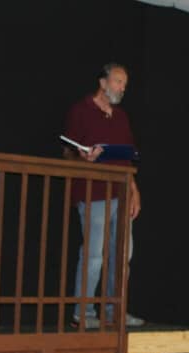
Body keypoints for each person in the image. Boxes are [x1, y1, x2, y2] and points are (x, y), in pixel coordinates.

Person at [63, 62, 144, 328]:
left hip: (121, 191)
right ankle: (83, 313)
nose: (122, 88)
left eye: (125, 84)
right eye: (118, 82)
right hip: (93, 192)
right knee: (94, 254)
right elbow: (67, 152)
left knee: (122, 255)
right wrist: (83, 158)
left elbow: (128, 158)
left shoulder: (121, 117)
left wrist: (134, 191)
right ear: (103, 82)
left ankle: (113, 311)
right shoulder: (81, 110)